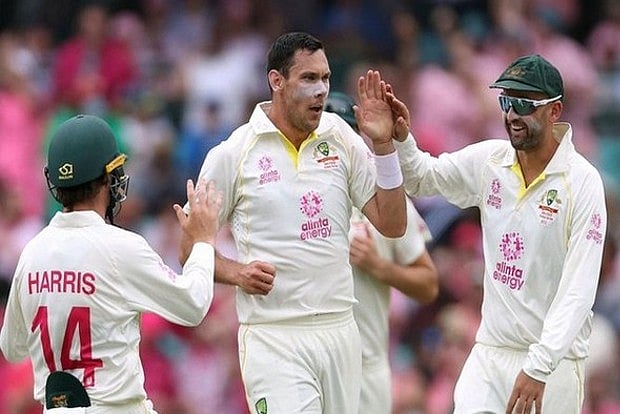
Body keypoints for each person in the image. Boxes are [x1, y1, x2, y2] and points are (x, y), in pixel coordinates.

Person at [192, 31, 407, 414]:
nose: (321, 90)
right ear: (276, 81)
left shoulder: (341, 137)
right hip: (274, 336)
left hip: (340, 329)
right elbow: (189, 248)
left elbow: (392, 224)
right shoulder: (234, 153)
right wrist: (237, 273)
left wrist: (385, 146)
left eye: (325, 78)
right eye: (308, 78)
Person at [387, 54, 607, 413]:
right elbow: (423, 179)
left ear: (555, 111)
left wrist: (539, 366)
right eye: (506, 102)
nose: (512, 115)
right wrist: (400, 138)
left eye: (524, 104)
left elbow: (579, 289)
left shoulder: (582, 182)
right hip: (491, 352)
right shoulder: (491, 160)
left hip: (554, 362)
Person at [0, 114, 221, 413]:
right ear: (107, 178)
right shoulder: (121, 247)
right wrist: (204, 240)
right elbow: (194, 304)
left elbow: (12, 349)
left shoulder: (32, 252)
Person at [325, 91, 439, 413]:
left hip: (367, 368)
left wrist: (378, 266)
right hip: (311, 358)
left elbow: (428, 284)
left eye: (348, 134)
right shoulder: (300, 197)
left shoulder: (387, 199)